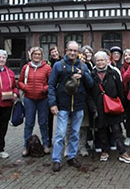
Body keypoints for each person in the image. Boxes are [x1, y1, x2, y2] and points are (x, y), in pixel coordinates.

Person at [48, 41, 94, 172]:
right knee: (60, 134)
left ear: (78, 52)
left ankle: (71, 157)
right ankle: (56, 159)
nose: (73, 53)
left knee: (75, 132)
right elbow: (51, 86)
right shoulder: (58, 65)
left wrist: (84, 75)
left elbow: (91, 84)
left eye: (75, 51)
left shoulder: (83, 65)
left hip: (78, 105)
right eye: (70, 50)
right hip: (63, 105)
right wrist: (52, 103)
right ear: (66, 50)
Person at [89, 51, 130, 163]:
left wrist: (121, 107)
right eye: (98, 60)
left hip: (113, 107)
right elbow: (88, 93)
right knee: (102, 130)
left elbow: (120, 91)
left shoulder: (113, 73)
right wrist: (93, 107)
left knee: (117, 130)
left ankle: (122, 152)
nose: (100, 62)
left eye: (102, 60)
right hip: (99, 107)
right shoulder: (92, 74)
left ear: (107, 60)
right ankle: (104, 151)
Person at [17, 47, 52, 156]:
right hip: (29, 99)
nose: (36, 56)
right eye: (35, 54)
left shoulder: (47, 68)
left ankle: (45, 144)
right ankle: (26, 146)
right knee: (29, 123)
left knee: (43, 123)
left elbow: (51, 82)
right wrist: (25, 88)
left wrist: (44, 89)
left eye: (38, 54)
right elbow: (20, 82)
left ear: (42, 56)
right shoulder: (26, 67)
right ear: (31, 55)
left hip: (43, 99)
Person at [47, 46, 62, 148]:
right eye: (52, 52)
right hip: (52, 93)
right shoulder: (48, 64)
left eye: (55, 51)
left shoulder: (63, 62)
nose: (54, 53)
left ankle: (62, 140)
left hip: (61, 93)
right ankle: (48, 139)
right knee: (48, 119)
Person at [120, 49, 130, 147]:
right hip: (126, 96)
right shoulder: (122, 68)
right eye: (126, 55)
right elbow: (124, 79)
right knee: (129, 119)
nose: (128, 57)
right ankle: (128, 136)